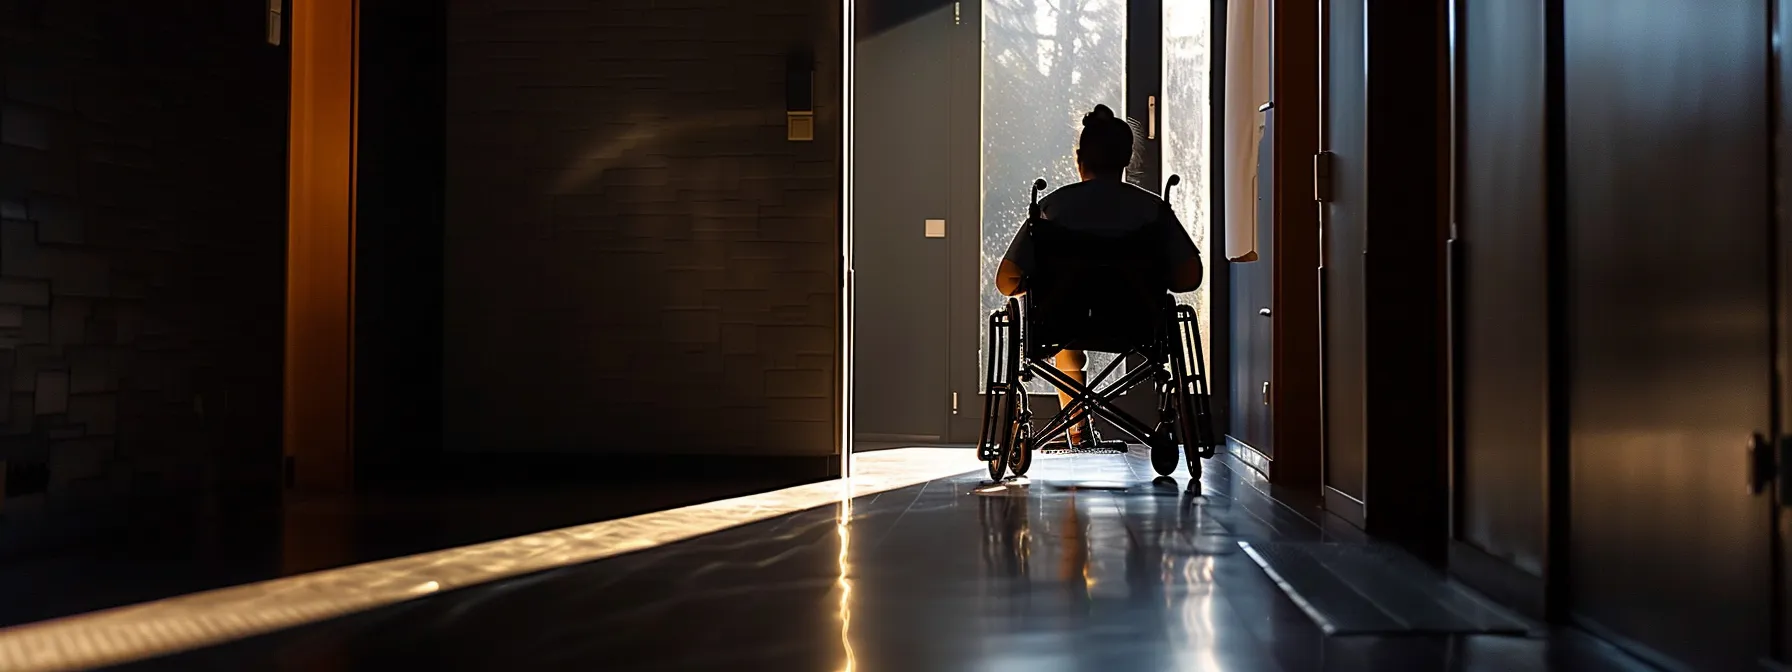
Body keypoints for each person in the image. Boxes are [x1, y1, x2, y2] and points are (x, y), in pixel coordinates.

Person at [994, 103, 1203, 449]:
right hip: (1137, 323)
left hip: (1061, 321)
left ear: (1080, 158)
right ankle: (1101, 427)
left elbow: (1006, 280)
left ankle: (1075, 426)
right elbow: (1190, 277)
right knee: (1074, 323)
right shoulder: (1153, 210)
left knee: (1065, 328)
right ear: (1126, 159)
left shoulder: (1051, 207)